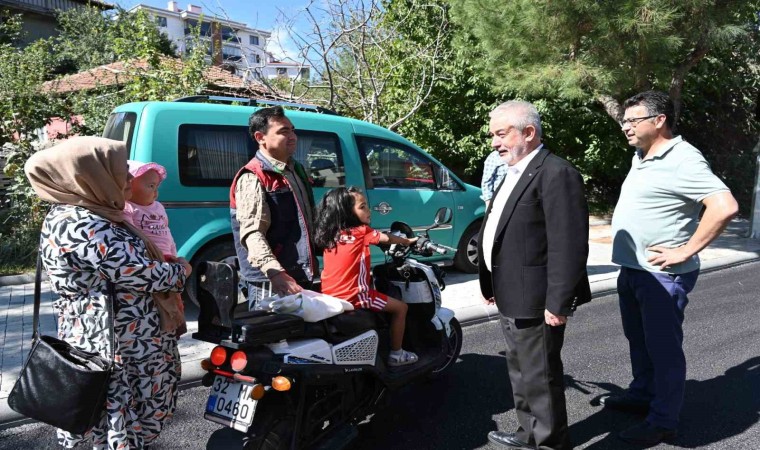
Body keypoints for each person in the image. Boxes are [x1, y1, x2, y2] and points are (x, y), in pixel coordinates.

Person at [24, 136, 192, 449]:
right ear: (91, 175)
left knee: (121, 419)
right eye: (119, 171)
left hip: (122, 339)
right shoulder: (83, 222)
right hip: (115, 344)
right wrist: (181, 270)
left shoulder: (95, 213)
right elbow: (140, 274)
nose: (129, 177)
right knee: (116, 418)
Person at [603, 91, 739, 446]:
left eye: (633, 120)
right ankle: (643, 394)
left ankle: (663, 420)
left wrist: (687, 249)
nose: (626, 127)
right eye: (624, 121)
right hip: (634, 268)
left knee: (663, 350)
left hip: (662, 276)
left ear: (659, 120)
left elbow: (724, 206)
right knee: (639, 341)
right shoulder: (642, 155)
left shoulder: (683, 159)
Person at [478, 101, 591, 450]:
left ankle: (550, 444)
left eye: (501, 134)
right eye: (493, 135)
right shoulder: (513, 170)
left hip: (538, 298)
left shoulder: (556, 173)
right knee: (519, 371)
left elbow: (568, 244)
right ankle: (528, 434)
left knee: (540, 377)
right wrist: (491, 281)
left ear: (528, 132)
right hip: (511, 290)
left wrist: (558, 302)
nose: (494, 143)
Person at [315, 187, 419, 366]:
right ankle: (397, 354)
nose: (369, 210)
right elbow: (387, 239)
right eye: (362, 207)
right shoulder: (361, 232)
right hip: (355, 297)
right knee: (401, 308)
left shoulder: (331, 234)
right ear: (348, 212)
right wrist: (407, 241)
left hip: (329, 295)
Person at [230, 106, 317, 309]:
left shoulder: (295, 169)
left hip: (297, 272)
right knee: (272, 328)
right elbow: (252, 233)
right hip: (270, 280)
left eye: (292, 130)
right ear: (260, 137)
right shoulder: (252, 176)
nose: (293, 136)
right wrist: (275, 272)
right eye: (283, 131)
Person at [123, 160, 186, 336]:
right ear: (130, 184)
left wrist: (174, 254)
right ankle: (167, 327)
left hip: (168, 259)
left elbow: (166, 231)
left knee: (175, 299)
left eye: (157, 186)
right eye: (151, 186)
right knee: (161, 301)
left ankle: (177, 327)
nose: (156, 192)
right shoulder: (128, 208)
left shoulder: (158, 207)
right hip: (151, 260)